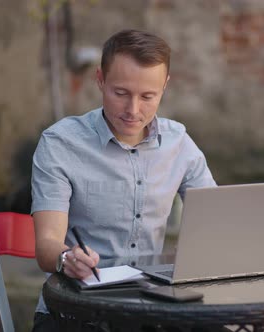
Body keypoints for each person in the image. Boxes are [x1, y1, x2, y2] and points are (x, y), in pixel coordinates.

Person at [30, 29, 216, 331]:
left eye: (147, 97)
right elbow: (46, 245)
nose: (133, 110)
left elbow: (216, 219)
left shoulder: (179, 142)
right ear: (100, 79)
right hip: (75, 311)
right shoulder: (60, 144)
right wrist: (67, 258)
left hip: (152, 310)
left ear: (165, 86)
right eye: (121, 93)